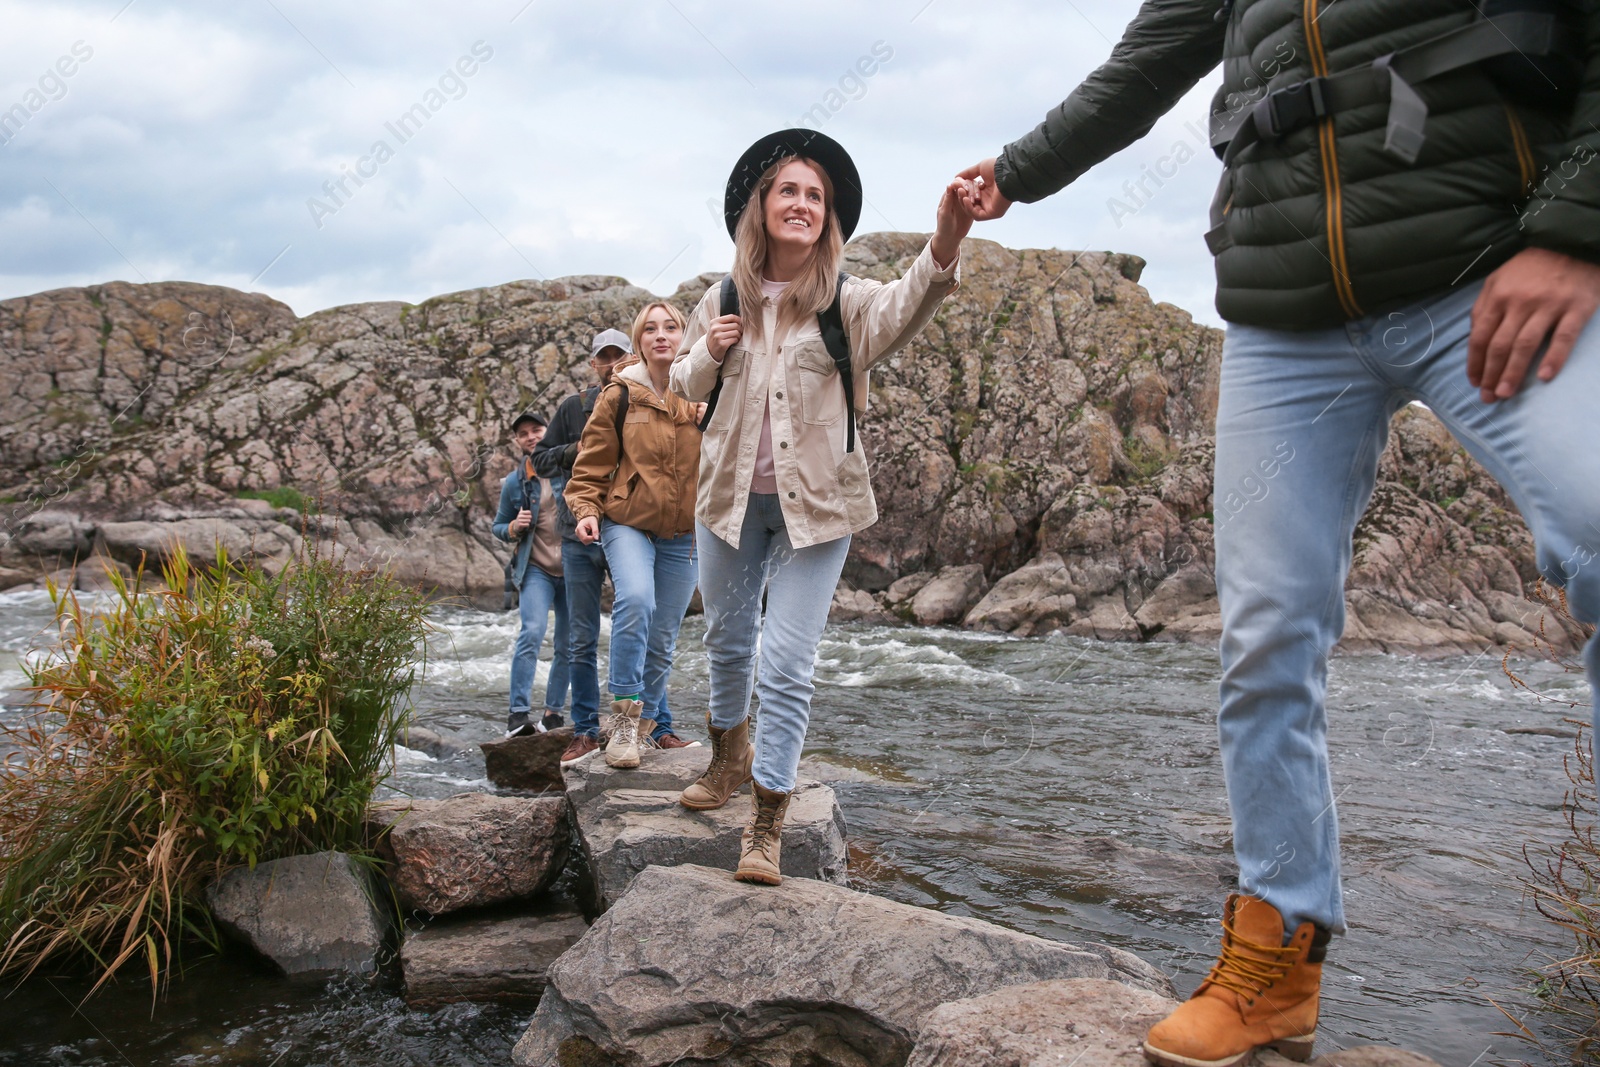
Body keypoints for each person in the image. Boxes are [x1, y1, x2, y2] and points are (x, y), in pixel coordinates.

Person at [955, 4, 1600, 1064]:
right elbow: (1141, 68)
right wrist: (1013, 171)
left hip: (1487, 266)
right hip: (1284, 311)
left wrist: (1575, 226)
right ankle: (1276, 953)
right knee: (1261, 631)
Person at [670, 129, 974, 884]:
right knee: (731, 643)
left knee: (788, 662)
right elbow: (680, 384)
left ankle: (767, 819)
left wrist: (946, 239)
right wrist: (709, 348)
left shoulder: (850, 301)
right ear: (761, 207)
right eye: (788, 191)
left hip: (820, 511)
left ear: (826, 215)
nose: (802, 204)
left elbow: (913, 298)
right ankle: (726, 756)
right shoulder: (723, 296)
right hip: (729, 503)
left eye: (814, 195)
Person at [565, 302, 703, 766]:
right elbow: (590, 468)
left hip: (686, 534)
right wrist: (585, 510)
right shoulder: (618, 395)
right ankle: (622, 725)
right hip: (627, 523)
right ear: (638, 341)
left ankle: (647, 728)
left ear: (686, 336)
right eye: (650, 329)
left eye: (671, 327)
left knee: (663, 635)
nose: (661, 335)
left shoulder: (708, 391)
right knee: (637, 600)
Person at [534, 328, 632, 765]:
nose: (611, 362)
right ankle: (587, 731)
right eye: (603, 357)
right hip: (578, 533)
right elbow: (539, 458)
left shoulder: (643, 398)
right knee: (580, 638)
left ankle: (650, 726)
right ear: (593, 363)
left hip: (630, 529)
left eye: (619, 354)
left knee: (642, 627)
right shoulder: (572, 406)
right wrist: (580, 449)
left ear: (631, 357)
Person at [491, 410, 569, 738]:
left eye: (536, 430)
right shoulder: (514, 482)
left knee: (570, 641)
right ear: (518, 442)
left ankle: (553, 713)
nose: (531, 437)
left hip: (574, 569)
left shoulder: (570, 468)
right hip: (535, 568)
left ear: (547, 431)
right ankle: (518, 715)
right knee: (532, 633)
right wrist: (512, 527)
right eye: (523, 434)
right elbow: (498, 526)